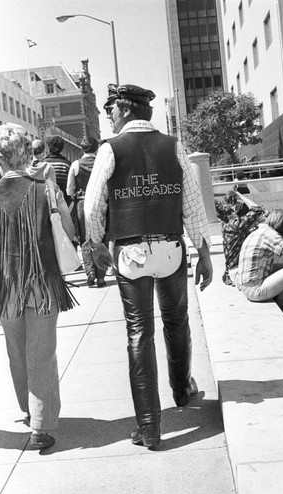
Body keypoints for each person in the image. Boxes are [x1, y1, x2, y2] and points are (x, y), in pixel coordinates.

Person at [84, 83, 213, 449]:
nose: (107, 114)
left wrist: (95, 245)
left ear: (125, 110)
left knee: (139, 333)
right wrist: (202, 252)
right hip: (170, 248)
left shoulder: (110, 150)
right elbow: (192, 203)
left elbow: (92, 206)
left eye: (111, 109)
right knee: (176, 320)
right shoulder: (173, 146)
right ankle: (183, 390)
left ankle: (149, 427)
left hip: (130, 253)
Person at [0, 123, 77, 450]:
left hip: (4, 288)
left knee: (17, 353)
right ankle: (40, 424)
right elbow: (68, 228)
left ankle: (28, 410)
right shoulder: (46, 189)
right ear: (26, 154)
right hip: (42, 284)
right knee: (42, 354)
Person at [236, 209, 283, 319]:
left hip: (248, 288)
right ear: (281, 224)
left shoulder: (259, 232)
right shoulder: (270, 234)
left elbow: (271, 268)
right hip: (255, 290)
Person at [67, 137, 106, 287]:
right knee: (100, 237)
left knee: (85, 238)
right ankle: (101, 276)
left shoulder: (76, 165)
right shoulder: (101, 163)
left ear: (82, 148)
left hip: (82, 203)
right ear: (96, 148)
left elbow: (70, 189)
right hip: (100, 202)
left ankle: (90, 272)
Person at [215, 190, 265, 285]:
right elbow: (257, 209)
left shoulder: (227, 225)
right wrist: (240, 195)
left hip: (232, 271)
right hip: (238, 273)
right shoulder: (238, 226)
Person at [44, 136, 71, 205]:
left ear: (48, 147)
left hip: (47, 202)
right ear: (62, 148)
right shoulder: (66, 164)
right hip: (64, 202)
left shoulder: (43, 164)